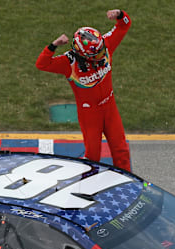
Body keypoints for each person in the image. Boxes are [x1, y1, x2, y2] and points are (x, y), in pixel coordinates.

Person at [36, 9, 132, 171]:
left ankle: (129, 184)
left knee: (121, 150)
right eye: (97, 53)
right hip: (90, 114)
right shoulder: (69, 63)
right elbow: (42, 64)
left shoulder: (104, 46)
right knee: (93, 156)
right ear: (83, 54)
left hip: (110, 107)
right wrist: (53, 45)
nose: (102, 54)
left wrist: (120, 14)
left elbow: (124, 26)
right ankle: (87, 188)